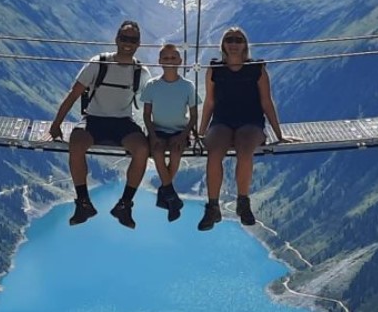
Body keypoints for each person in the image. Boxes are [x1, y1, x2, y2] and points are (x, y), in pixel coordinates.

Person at [49, 20, 152, 229]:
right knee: (76, 144)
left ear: (139, 43)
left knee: (142, 150)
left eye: (132, 40)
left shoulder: (140, 72)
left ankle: (124, 204)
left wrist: (156, 134)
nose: (128, 43)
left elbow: (151, 104)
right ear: (116, 39)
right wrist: (56, 123)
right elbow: (74, 94)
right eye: (124, 38)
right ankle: (83, 202)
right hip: (94, 119)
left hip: (123, 123)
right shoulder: (99, 63)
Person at [197, 27, 288, 231]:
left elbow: (266, 102)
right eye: (229, 39)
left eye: (238, 40)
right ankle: (212, 207)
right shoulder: (215, 69)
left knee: (245, 150)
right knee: (214, 153)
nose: (234, 43)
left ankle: (243, 202)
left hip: (251, 122)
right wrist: (201, 133)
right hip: (222, 121)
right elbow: (210, 103)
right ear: (223, 45)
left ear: (245, 45)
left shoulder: (257, 69)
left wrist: (278, 133)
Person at [141, 43, 199, 222]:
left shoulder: (187, 86)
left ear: (180, 61)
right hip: (157, 130)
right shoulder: (152, 85)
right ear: (159, 61)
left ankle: (167, 193)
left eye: (173, 58)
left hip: (179, 132)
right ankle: (171, 196)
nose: (170, 61)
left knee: (176, 152)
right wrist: (153, 135)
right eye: (166, 58)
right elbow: (146, 115)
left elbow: (194, 115)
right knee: (157, 152)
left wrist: (183, 135)